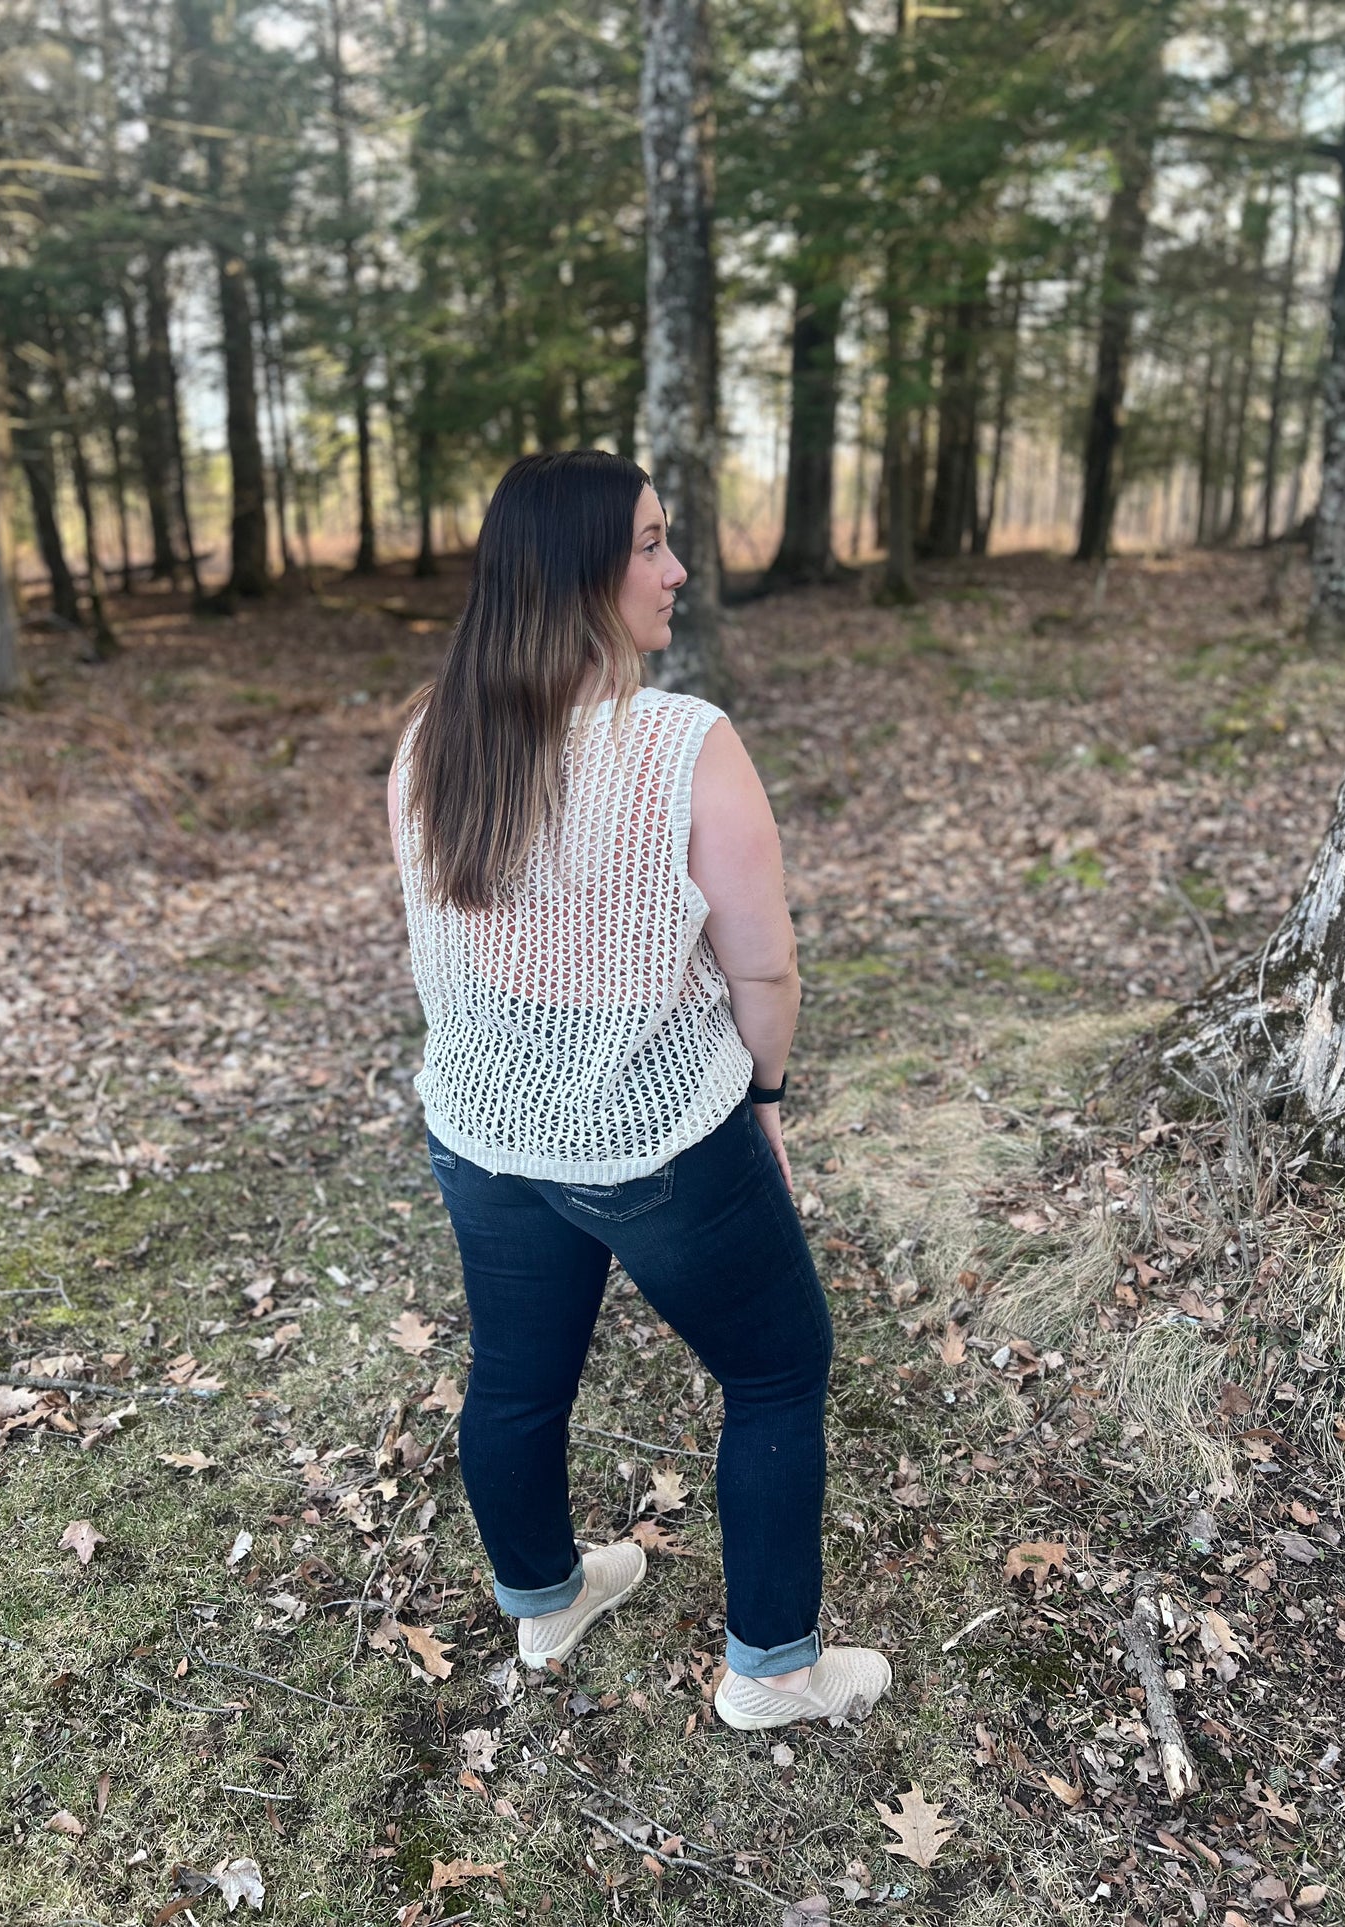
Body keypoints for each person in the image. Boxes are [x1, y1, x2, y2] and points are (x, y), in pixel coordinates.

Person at [386, 448, 891, 1731]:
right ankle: (772, 1669)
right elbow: (761, 963)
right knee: (778, 1370)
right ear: (574, 574)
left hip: (482, 1128)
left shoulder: (429, 741)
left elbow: (476, 942)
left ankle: (542, 1600)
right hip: (645, 1133)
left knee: (513, 1376)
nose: (676, 569)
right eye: (651, 545)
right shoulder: (681, 744)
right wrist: (762, 1096)